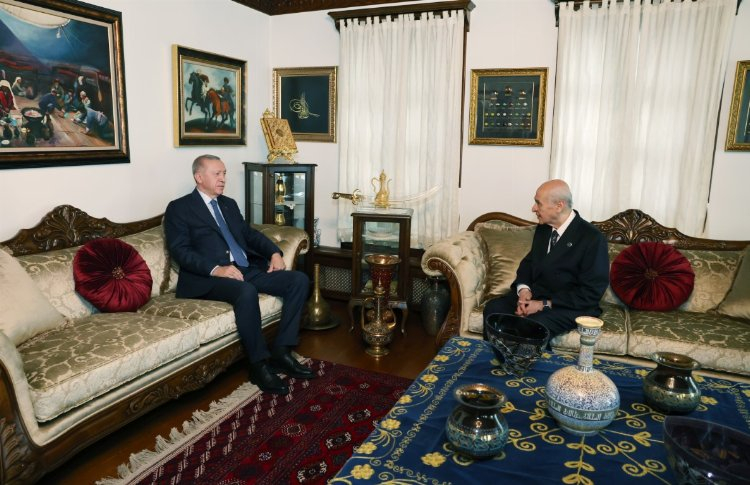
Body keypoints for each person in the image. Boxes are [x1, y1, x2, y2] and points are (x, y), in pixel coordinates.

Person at [164, 155, 313, 395]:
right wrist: (217, 269)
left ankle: (282, 351)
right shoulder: (179, 208)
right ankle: (258, 365)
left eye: (224, 173)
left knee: (299, 280)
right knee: (246, 291)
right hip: (208, 278)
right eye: (217, 174)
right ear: (199, 177)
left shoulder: (228, 204)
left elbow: (249, 234)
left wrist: (274, 253)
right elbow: (180, 251)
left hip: (245, 269)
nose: (223, 178)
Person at [483, 179, 609, 339]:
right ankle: (495, 354)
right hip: (537, 296)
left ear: (559, 206)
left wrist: (543, 305)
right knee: (493, 309)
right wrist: (524, 291)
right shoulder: (544, 228)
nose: (533, 208)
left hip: (569, 305)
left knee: (533, 325)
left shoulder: (592, 238)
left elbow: (591, 292)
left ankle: (522, 356)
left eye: (538, 203)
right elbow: (528, 264)